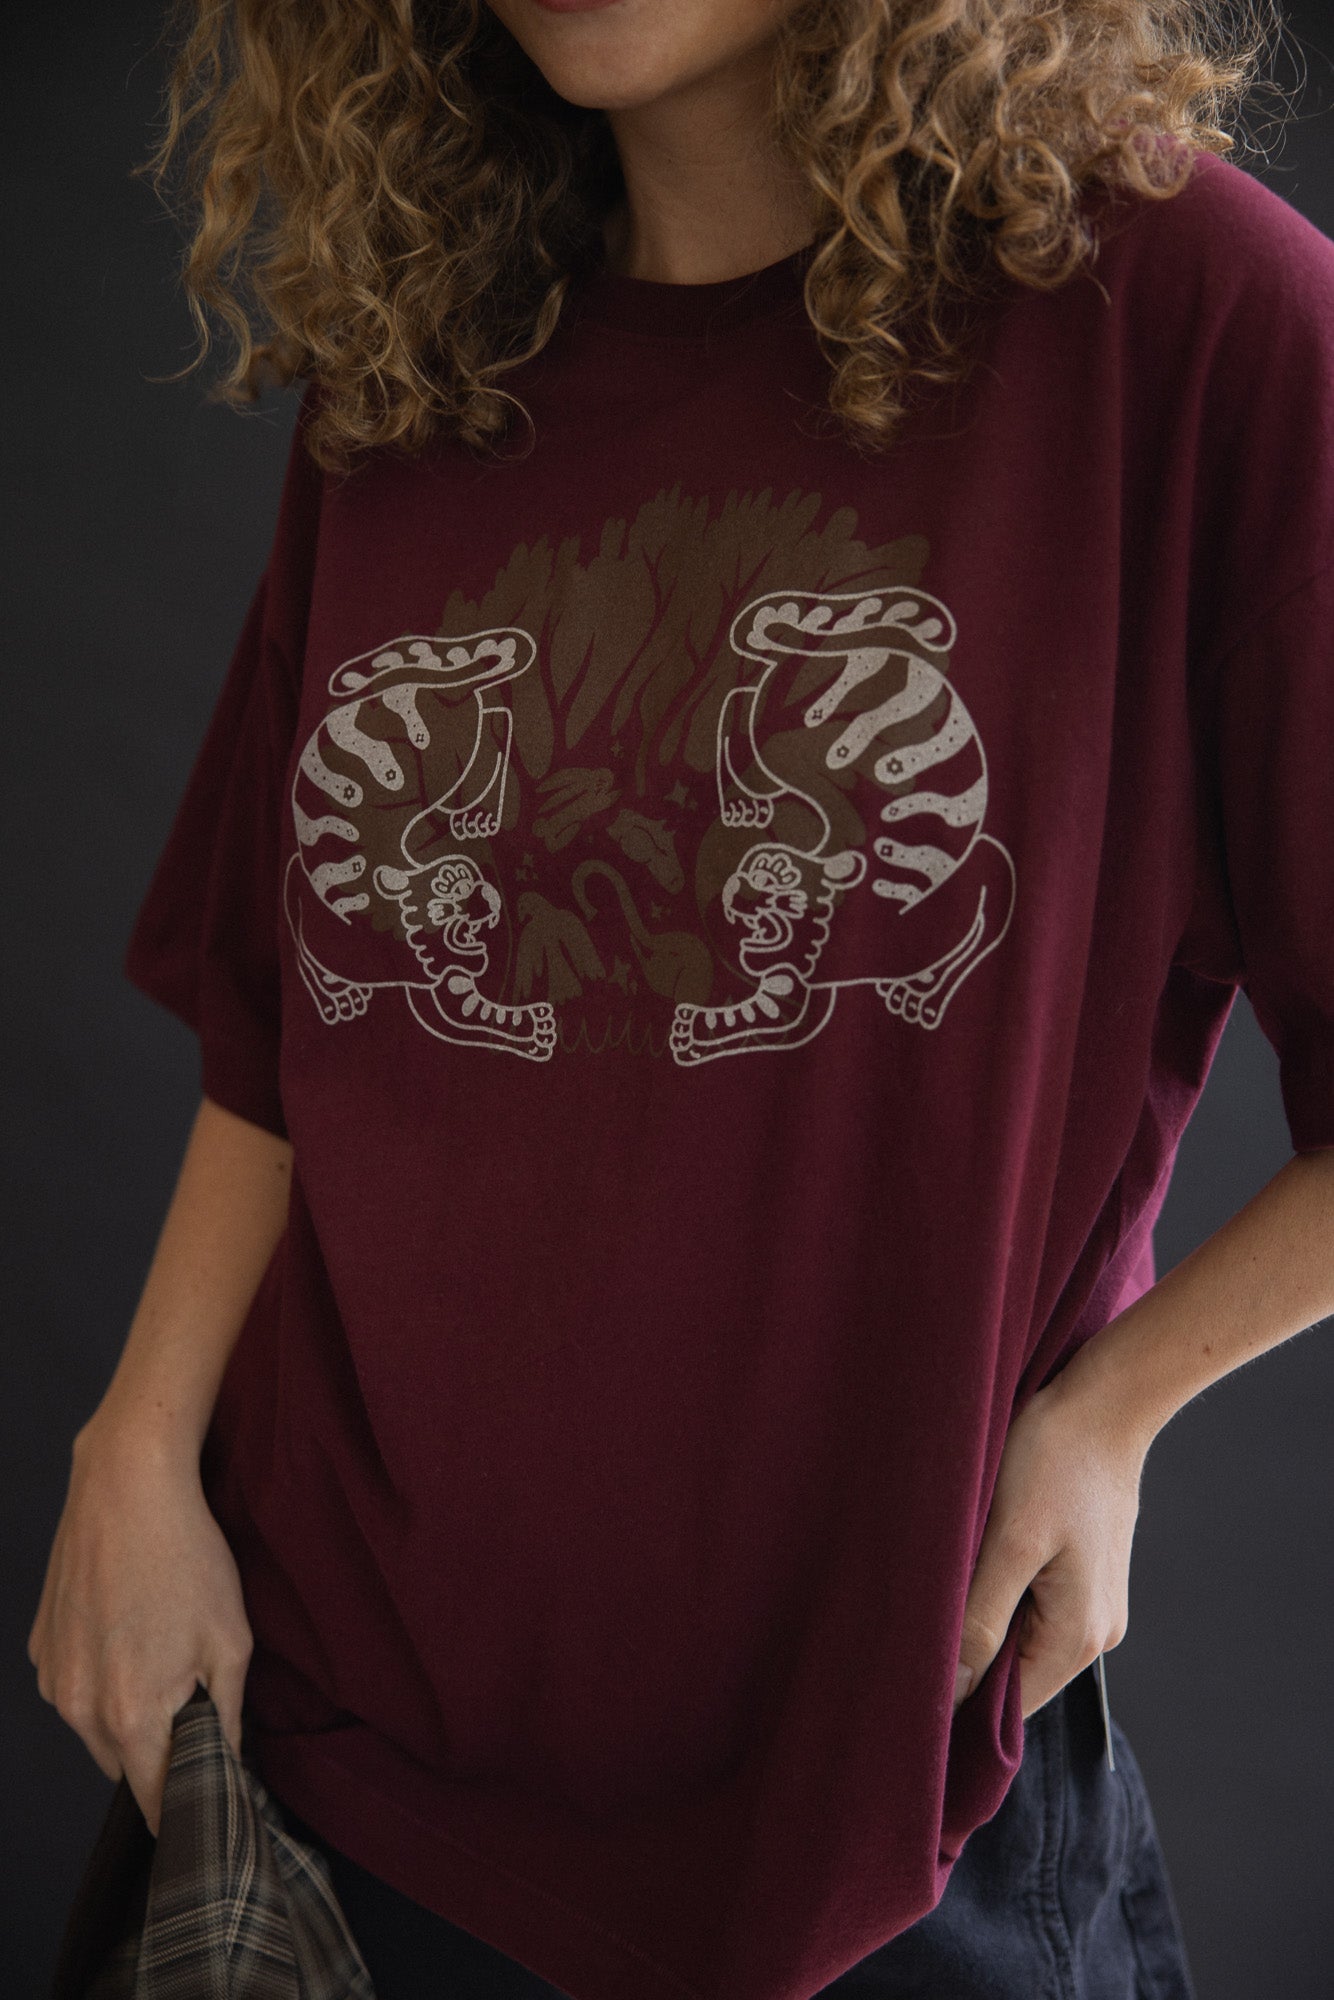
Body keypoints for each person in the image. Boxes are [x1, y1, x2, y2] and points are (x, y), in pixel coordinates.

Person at [28, 1, 1334, 1996]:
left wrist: (1109, 1408)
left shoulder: (1193, 322)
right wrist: (133, 1443)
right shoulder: (424, 351)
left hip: (882, 1778)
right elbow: (293, 1014)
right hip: (339, 1748)